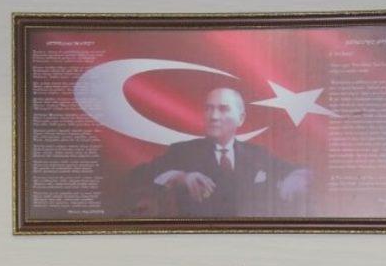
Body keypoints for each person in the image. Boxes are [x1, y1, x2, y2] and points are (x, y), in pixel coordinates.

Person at [128, 88, 311, 218]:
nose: (213, 116)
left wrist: (294, 178)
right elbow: (138, 175)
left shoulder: (257, 154)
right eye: (208, 108)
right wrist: (180, 177)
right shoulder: (182, 152)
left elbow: (301, 171)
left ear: (241, 118)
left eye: (223, 109)